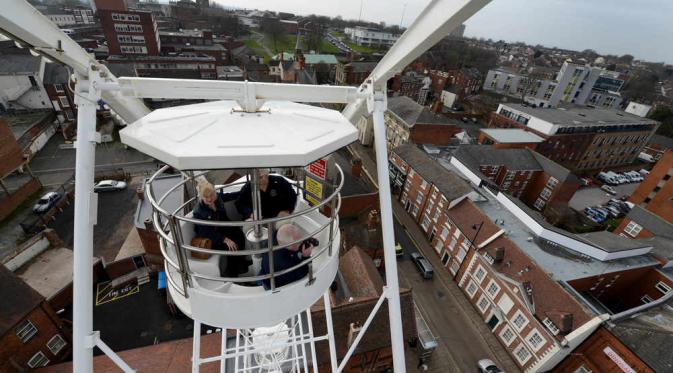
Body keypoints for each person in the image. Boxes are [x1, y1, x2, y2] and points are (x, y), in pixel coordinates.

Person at [193, 179, 248, 277]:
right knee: (231, 246)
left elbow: (230, 196)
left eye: (212, 195)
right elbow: (205, 232)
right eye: (206, 197)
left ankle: (240, 264)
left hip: (222, 228)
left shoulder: (217, 198)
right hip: (212, 236)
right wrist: (224, 239)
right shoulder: (199, 211)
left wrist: (247, 189)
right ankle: (231, 274)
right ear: (201, 197)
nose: (210, 199)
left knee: (239, 235)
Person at [259, 224, 314, 289]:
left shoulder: (276, 236)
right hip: (273, 285)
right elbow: (301, 273)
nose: (302, 242)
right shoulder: (282, 262)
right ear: (289, 245)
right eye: (299, 242)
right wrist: (306, 257)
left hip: (264, 272)